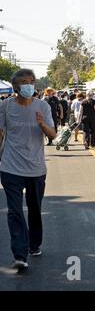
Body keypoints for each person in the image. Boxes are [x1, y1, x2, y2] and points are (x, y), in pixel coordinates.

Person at [0, 69, 56, 270]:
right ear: (15, 87)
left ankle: (34, 244)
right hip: (10, 168)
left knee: (34, 209)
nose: (29, 85)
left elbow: (53, 135)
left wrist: (41, 124)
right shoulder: (5, 107)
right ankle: (20, 254)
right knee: (15, 211)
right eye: (24, 82)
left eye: (31, 81)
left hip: (36, 168)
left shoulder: (43, 106)